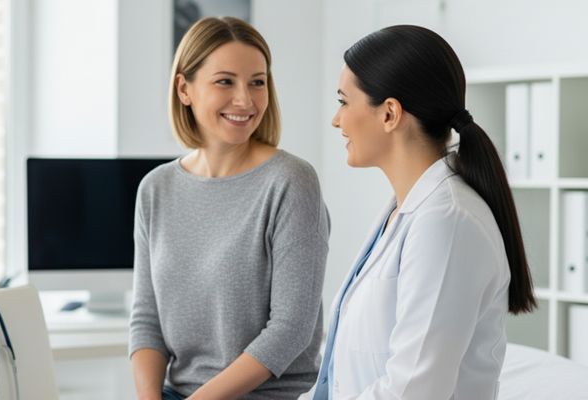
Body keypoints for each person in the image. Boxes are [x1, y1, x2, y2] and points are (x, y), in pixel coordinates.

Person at [312, 25, 537, 399]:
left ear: (389, 114)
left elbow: (414, 389)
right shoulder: (408, 211)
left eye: (343, 102)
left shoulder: (446, 222)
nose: (337, 120)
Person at [130, 16, 330, 400]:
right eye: (225, 81)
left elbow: (291, 328)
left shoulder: (291, 181)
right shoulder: (155, 189)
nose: (246, 99)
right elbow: (146, 319)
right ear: (184, 88)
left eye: (258, 82)